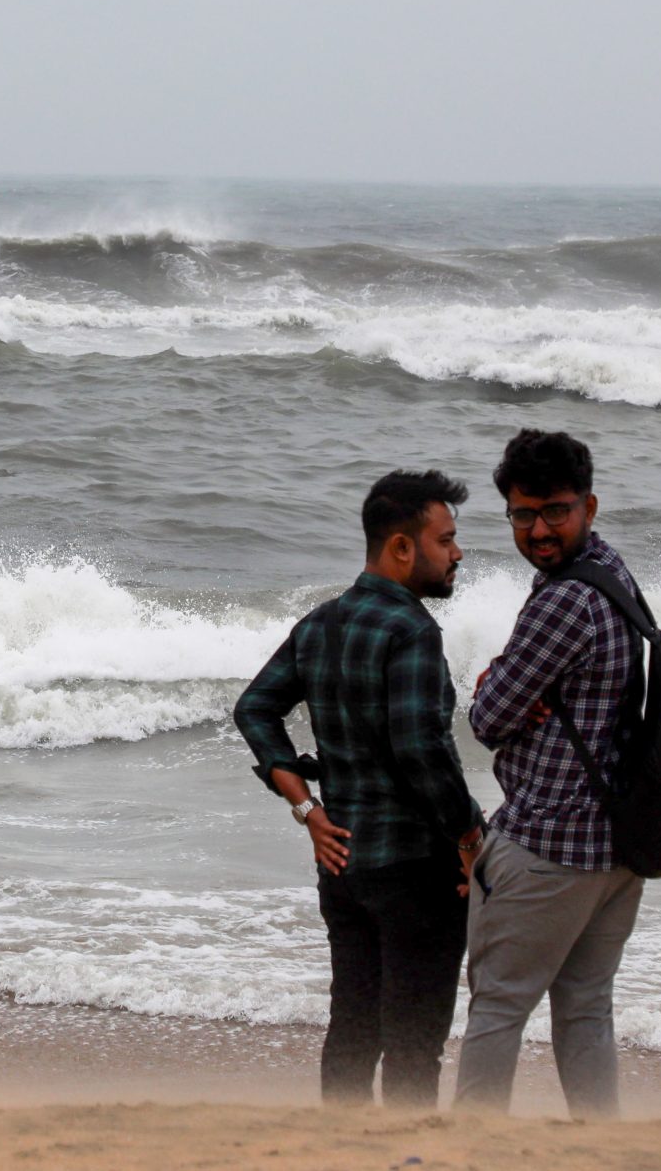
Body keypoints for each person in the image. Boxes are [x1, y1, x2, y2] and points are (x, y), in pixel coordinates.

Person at [232, 469, 485, 1107]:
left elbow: (255, 709)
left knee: (353, 1025)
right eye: (446, 540)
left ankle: (339, 1146)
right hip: (415, 870)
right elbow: (421, 748)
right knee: (413, 1041)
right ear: (402, 548)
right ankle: (404, 1152)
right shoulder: (413, 632)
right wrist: (469, 833)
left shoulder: (321, 623)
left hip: (342, 865)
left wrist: (308, 811)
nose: (457, 554)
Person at [454, 429, 644, 1115]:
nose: (539, 529)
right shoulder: (613, 575)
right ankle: (601, 1144)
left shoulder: (565, 600)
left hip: (551, 845)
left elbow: (488, 718)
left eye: (555, 511)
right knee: (587, 1008)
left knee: (498, 1006)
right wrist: (511, 687)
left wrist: (495, 682)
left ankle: (470, 1150)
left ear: (588, 505)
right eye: (522, 514)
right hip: (618, 845)